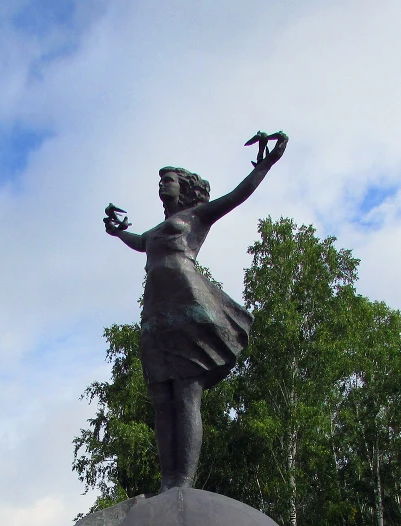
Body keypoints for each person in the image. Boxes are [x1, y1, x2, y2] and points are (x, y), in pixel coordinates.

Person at [105, 131, 288, 492]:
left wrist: (265, 164)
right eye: (160, 180)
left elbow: (237, 195)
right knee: (162, 398)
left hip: (190, 305)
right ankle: (167, 482)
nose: (162, 185)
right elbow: (139, 242)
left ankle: (184, 482)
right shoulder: (155, 231)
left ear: (184, 187)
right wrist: (118, 232)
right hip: (156, 312)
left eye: (169, 180)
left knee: (187, 391)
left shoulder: (196, 217)